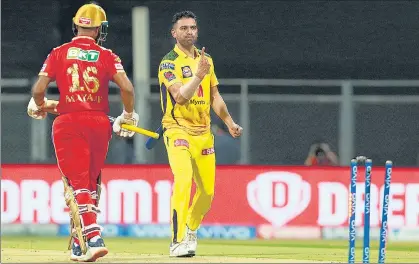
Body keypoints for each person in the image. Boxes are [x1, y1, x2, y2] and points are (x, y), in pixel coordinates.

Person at [26, 3, 139, 262]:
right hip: (99, 123)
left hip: (68, 124)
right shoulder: (108, 55)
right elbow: (128, 89)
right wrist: (128, 115)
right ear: (100, 29)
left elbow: (38, 88)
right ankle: (79, 243)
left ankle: (94, 236)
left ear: (77, 25)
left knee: (77, 184)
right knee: (89, 184)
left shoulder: (58, 53)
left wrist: (39, 103)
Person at [157, 10, 243, 257]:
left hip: (204, 133)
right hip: (177, 130)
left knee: (207, 193)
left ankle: (190, 229)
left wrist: (228, 122)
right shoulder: (168, 62)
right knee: (183, 180)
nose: (189, 32)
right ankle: (177, 241)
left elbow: (214, 96)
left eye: (193, 28)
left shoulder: (207, 61)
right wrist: (197, 76)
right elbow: (180, 97)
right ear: (174, 33)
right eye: (183, 28)